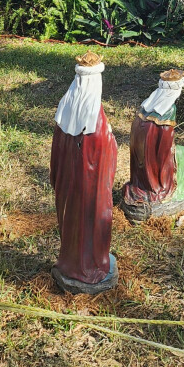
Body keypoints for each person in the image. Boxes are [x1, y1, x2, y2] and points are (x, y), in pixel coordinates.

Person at [50, 51, 118, 294]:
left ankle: (70, 263)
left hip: (69, 190)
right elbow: (104, 156)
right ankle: (91, 267)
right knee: (90, 227)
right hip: (92, 192)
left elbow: (56, 155)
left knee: (72, 226)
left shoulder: (65, 110)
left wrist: (57, 180)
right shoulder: (95, 121)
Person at [121, 69, 184, 220]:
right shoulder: (169, 109)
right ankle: (164, 189)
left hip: (140, 164)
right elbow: (165, 145)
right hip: (156, 165)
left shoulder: (145, 108)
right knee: (181, 153)